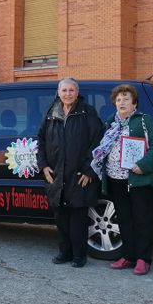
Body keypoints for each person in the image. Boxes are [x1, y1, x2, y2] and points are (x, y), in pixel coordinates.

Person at [91, 84, 153, 275]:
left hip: (138, 179)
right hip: (115, 179)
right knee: (124, 219)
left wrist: (143, 166)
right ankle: (128, 256)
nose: (121, 102)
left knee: (142, 219)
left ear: (134, 103)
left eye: (126, 99)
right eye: (118, 99)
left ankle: (143, 259)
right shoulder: (110, 123)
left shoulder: (144, 121)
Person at [37, 78, 103, 268]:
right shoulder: (51, 112)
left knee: (78, 219)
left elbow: (98, 143)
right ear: (58, 92)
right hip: (56, 175)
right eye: (64, 90)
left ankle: (79, 256)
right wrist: (43, 166)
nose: (68, 94)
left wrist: (90, 170)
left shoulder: (87, 112)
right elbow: (40, 140)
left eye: (71, 90)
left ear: (77, 92)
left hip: (79, 175)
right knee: (61, 218)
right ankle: (64, 253)